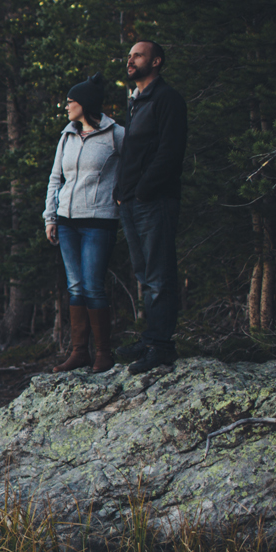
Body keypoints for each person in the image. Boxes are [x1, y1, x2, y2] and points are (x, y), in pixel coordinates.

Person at [114, 40, 188, 375]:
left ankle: (161, 346)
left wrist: (144, 190)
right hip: (130, 202)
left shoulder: (166, 99)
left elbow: (170, 152)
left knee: (159, 274)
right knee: (144, 273)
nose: (130, 60)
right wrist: (122, 192)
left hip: (155, 200)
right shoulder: (135, 102)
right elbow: (132, 152)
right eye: (129, 56)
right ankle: (150, 339)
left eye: (138, 55)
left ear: (156, 61)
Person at [44, 73, 124, 373]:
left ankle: (104, 353)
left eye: (70, 101)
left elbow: (135, 164)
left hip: (99, 221)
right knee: (75, 286)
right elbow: (55, 179)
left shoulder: (116, 134)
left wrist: (122, 193)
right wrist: (50, 217)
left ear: (86, 104)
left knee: (93, 287)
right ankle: (80, 352)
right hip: (67, 222)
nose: (66, 106)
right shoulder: (66, 136)